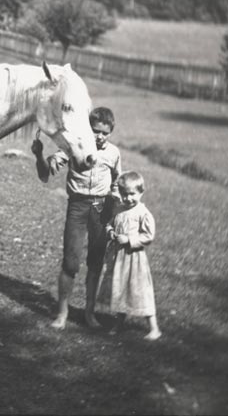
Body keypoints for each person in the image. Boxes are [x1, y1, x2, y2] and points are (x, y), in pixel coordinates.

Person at [31, 106, 121, 330]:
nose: (99, 136)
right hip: (78, 208)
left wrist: (118, 203)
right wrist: (39, 155)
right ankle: (62, 313)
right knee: (71, 262)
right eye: (95, 131)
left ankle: (89, 314)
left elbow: (118, 182)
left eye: (104, 132)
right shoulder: (74, 149)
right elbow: (45, 174)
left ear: (111, 132)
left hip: (102, 209)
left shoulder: (114, 153)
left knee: (95, 263)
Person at [100, 170, 161, 341]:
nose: (128, 198)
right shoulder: (118, 209)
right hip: (118, 258)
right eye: (124, 194)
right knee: (120, 289)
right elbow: (109, 224)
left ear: (141, 192)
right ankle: (119, 324)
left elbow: (148, 236)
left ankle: (154, 328)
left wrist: (129, 239)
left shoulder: (143, 212)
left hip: (134, 258)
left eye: (132, 194)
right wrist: (111, 232)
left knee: (140, 291)